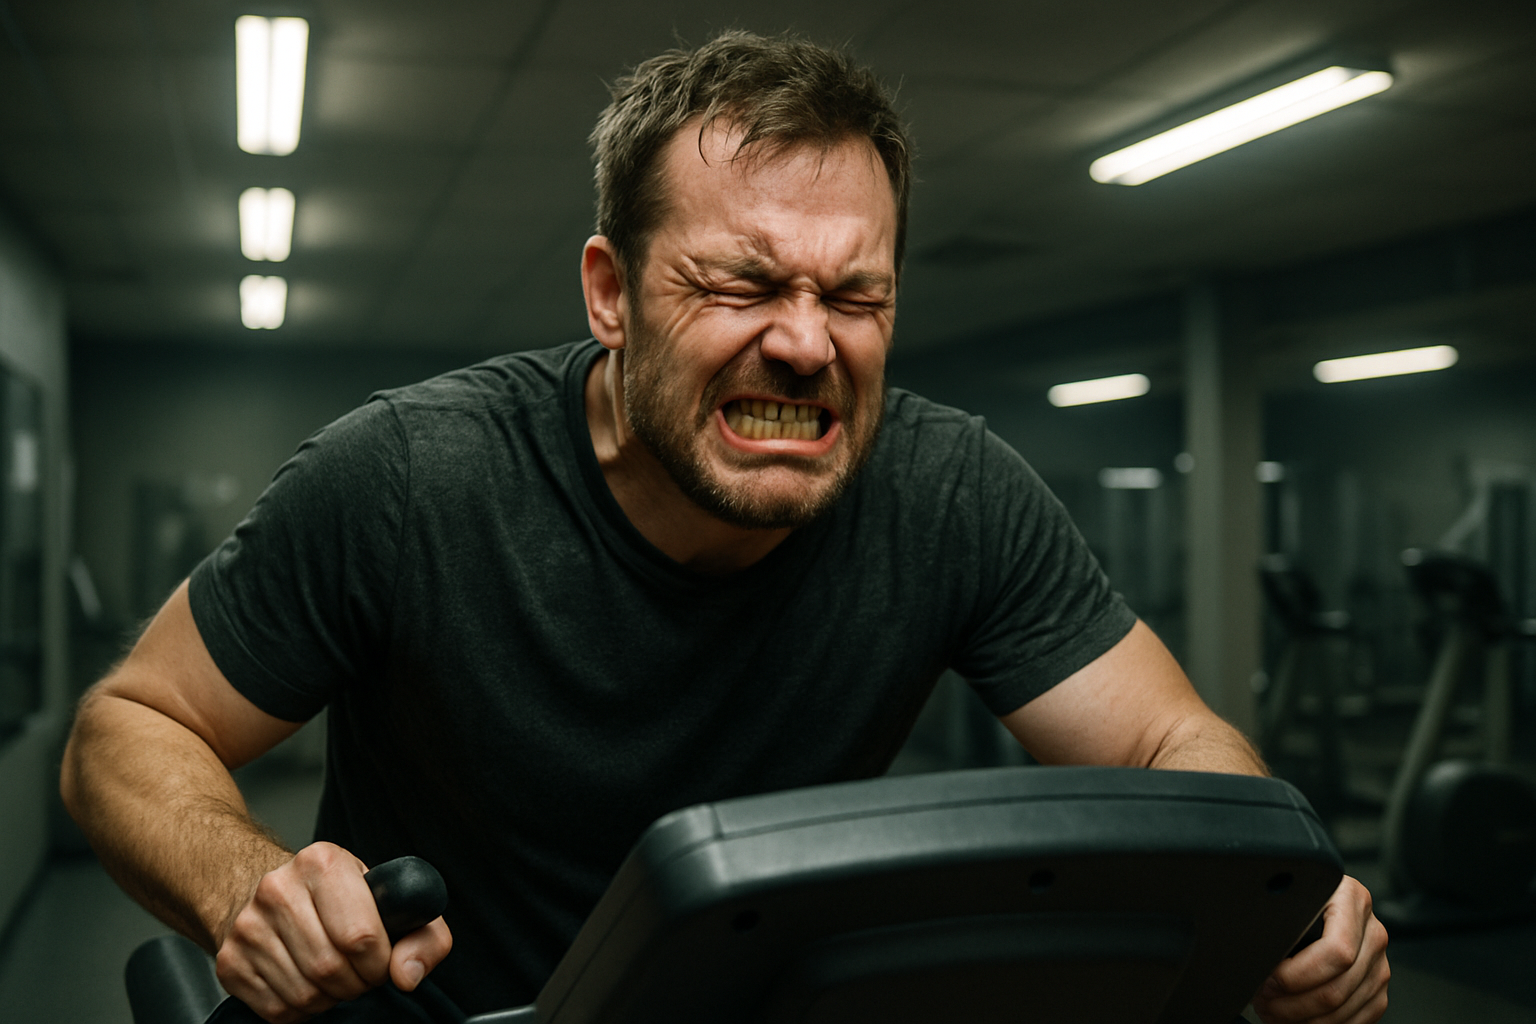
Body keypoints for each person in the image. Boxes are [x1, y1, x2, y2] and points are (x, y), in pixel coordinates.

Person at [61, 30, 1388, 1024]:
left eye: (854, 297)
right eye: (741, 282)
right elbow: (131, 725)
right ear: (611, 292)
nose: (806, 343)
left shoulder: (952, 492)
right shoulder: (410, 478)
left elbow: (1165, 737)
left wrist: (1272, 883)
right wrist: (251, 885)